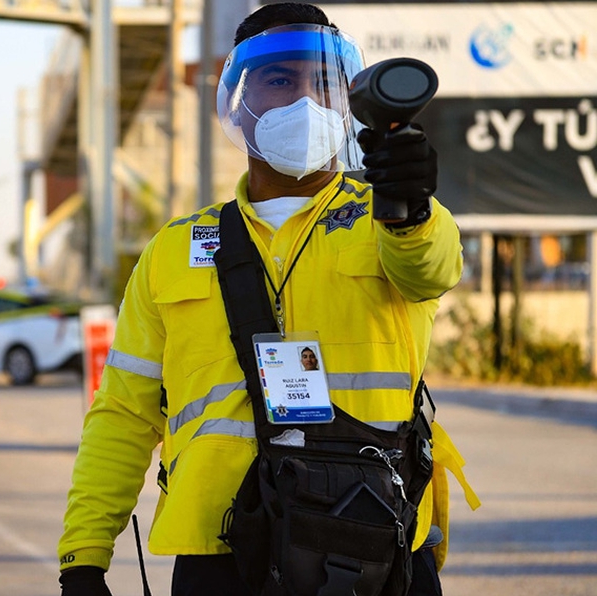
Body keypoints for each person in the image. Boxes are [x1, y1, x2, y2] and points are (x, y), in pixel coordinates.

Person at [58, 4, 480, 596]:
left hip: (372, 542)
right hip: (219, 552)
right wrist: (83, 557)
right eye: (280, 79)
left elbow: (431, 267)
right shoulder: (173, 251)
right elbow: (124, 413)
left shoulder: (394, 221)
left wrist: (409, 204)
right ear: (240, 98)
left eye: (323, 81)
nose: (305, 99)